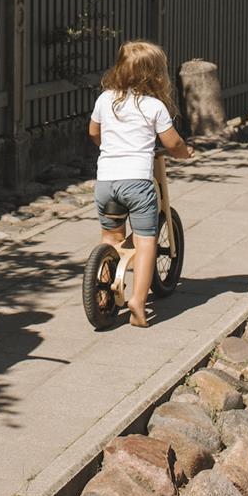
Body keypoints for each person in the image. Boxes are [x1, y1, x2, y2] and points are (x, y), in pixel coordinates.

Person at [88, 39, 194, 328]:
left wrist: (108, 145)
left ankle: (102, 296)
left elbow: (93, 132)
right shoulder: (154, 106)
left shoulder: (105, 99)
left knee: (110, 238)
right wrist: (185, 153)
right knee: (146, 242)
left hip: (106, 182)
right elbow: (172, 143)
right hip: (137, 184)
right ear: (156, 75)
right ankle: (137, 301)